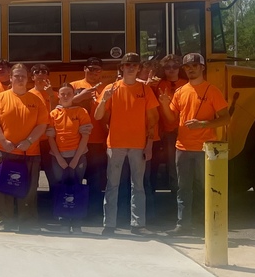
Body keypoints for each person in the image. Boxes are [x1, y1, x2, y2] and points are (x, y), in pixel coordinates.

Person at [159, 53, 230, 235]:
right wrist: (165, 105)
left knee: (204, 187)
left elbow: (225, 118)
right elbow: (171, 119)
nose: (190, 69)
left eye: (194, 66)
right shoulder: (181, 91)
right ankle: (183, 224)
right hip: (182, 147)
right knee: (183, 188)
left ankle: (206, 223)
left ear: (202, 67)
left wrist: (203, 124)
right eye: (187, 67)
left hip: (204, 148)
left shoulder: (212, 90)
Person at [94, 53, 159, 236]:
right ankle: (109, 224)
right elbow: (98, 116)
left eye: (134, 65)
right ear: (121, 68)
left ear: (139, 68)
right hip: (115, 144)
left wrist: (149, 144)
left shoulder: (145, 90)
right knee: (112, 184)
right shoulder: (111, 88)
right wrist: (105, 99)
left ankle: (138, 224)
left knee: (138, 185)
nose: (131, 68)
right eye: (127, 65)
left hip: (138, 144)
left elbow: (152, 119)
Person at [0, 64, 49, 232]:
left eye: (23, 76)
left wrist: (28, 141)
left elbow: (42, 124)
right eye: (17, 76)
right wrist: (3, 141)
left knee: (28, 190)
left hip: (30, 152)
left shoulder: (37, 100)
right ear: (11, 78)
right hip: (1, 151)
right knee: (0, 188)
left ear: (28, 79)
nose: (20, 79)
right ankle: (1, 222)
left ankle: (27, 223)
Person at [47, 84, 93, 232]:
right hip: (58, 157)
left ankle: (77, 222)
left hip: (77, 157)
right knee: (60, 188)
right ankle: (64, 222)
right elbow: (51, 138)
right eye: (63, 94)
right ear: (58, 96)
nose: (66, 96)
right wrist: (59, 158)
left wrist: (75, 159)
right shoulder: (53, 114)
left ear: (73, 95)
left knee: (77, 187)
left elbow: (85, 136)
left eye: (69, 94)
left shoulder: (81, 112)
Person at [72, 57, 109, 218]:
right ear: (85, 69)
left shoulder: (106, 88)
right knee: (75, 178)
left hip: (97, 139)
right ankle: (74, 210)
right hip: (76, 140)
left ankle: (93, 213)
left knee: (96, 180)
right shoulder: (74, 85)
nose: (94, 72)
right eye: (91, 68)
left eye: (98, 69)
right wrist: (81, 96)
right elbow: (62, 105)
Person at [153, 54, 187, 193]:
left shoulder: (186, 83)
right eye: (167, 67)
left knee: (185, 163)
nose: (171, 70)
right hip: (168, 130)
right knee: (172, 163)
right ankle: (175, 191)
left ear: (179, 68)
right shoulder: (159, 85)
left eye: (175, 66)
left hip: (184, 129)